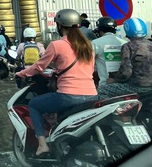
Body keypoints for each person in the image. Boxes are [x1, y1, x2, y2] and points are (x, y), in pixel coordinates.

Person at [15, 9, 97, 157]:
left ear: (60, 26)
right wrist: (57, 73)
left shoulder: (56, 44)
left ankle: (42, 145)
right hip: (92, 95)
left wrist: (21, 73)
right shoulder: (88, 45)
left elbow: (39, 67)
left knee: (34, 104)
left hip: (69, 96)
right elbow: (88, 70)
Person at [97, 17, 152, 99]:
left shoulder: (129, 46)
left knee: (102, 90)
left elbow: (125, 73)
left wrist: (114, 79)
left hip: (138, 87)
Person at [92, 16, 126, 87]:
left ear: (100, 30)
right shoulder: (124, 43)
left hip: (105, 86)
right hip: (125, 85)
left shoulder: (95, 43)